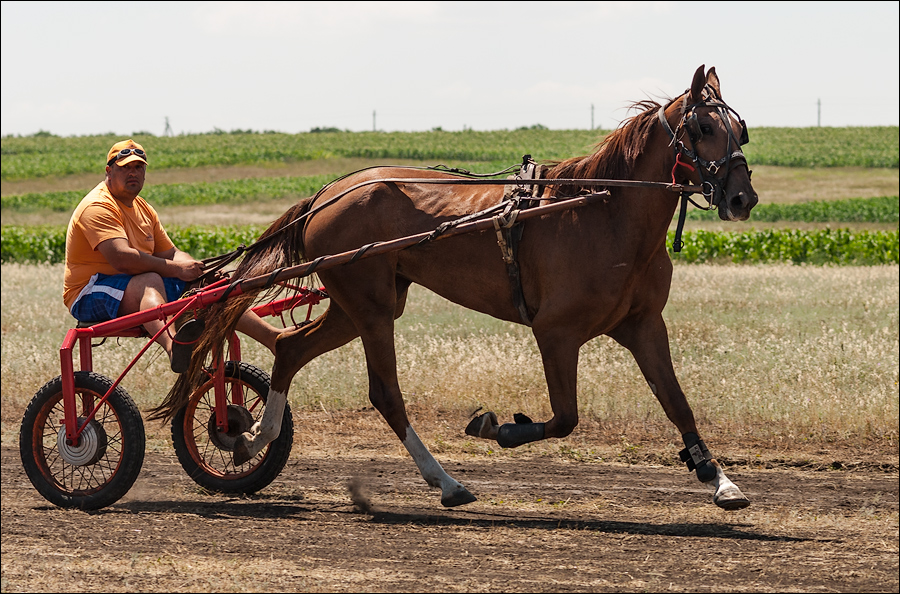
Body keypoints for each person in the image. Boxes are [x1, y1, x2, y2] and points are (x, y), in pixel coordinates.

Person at [64, 139, 285, 372]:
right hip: (88, 291)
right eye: (125, 167)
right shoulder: (98, 206)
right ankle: (174, 348)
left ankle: (273, 338)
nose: (133, 173)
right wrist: (177, 270)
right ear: (109, 171)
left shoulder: (144, 208)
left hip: (134, 285)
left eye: (138, 167)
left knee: (210, 286)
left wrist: (199, 269)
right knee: (150, 280)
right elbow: (122, 259)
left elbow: (171, 253)